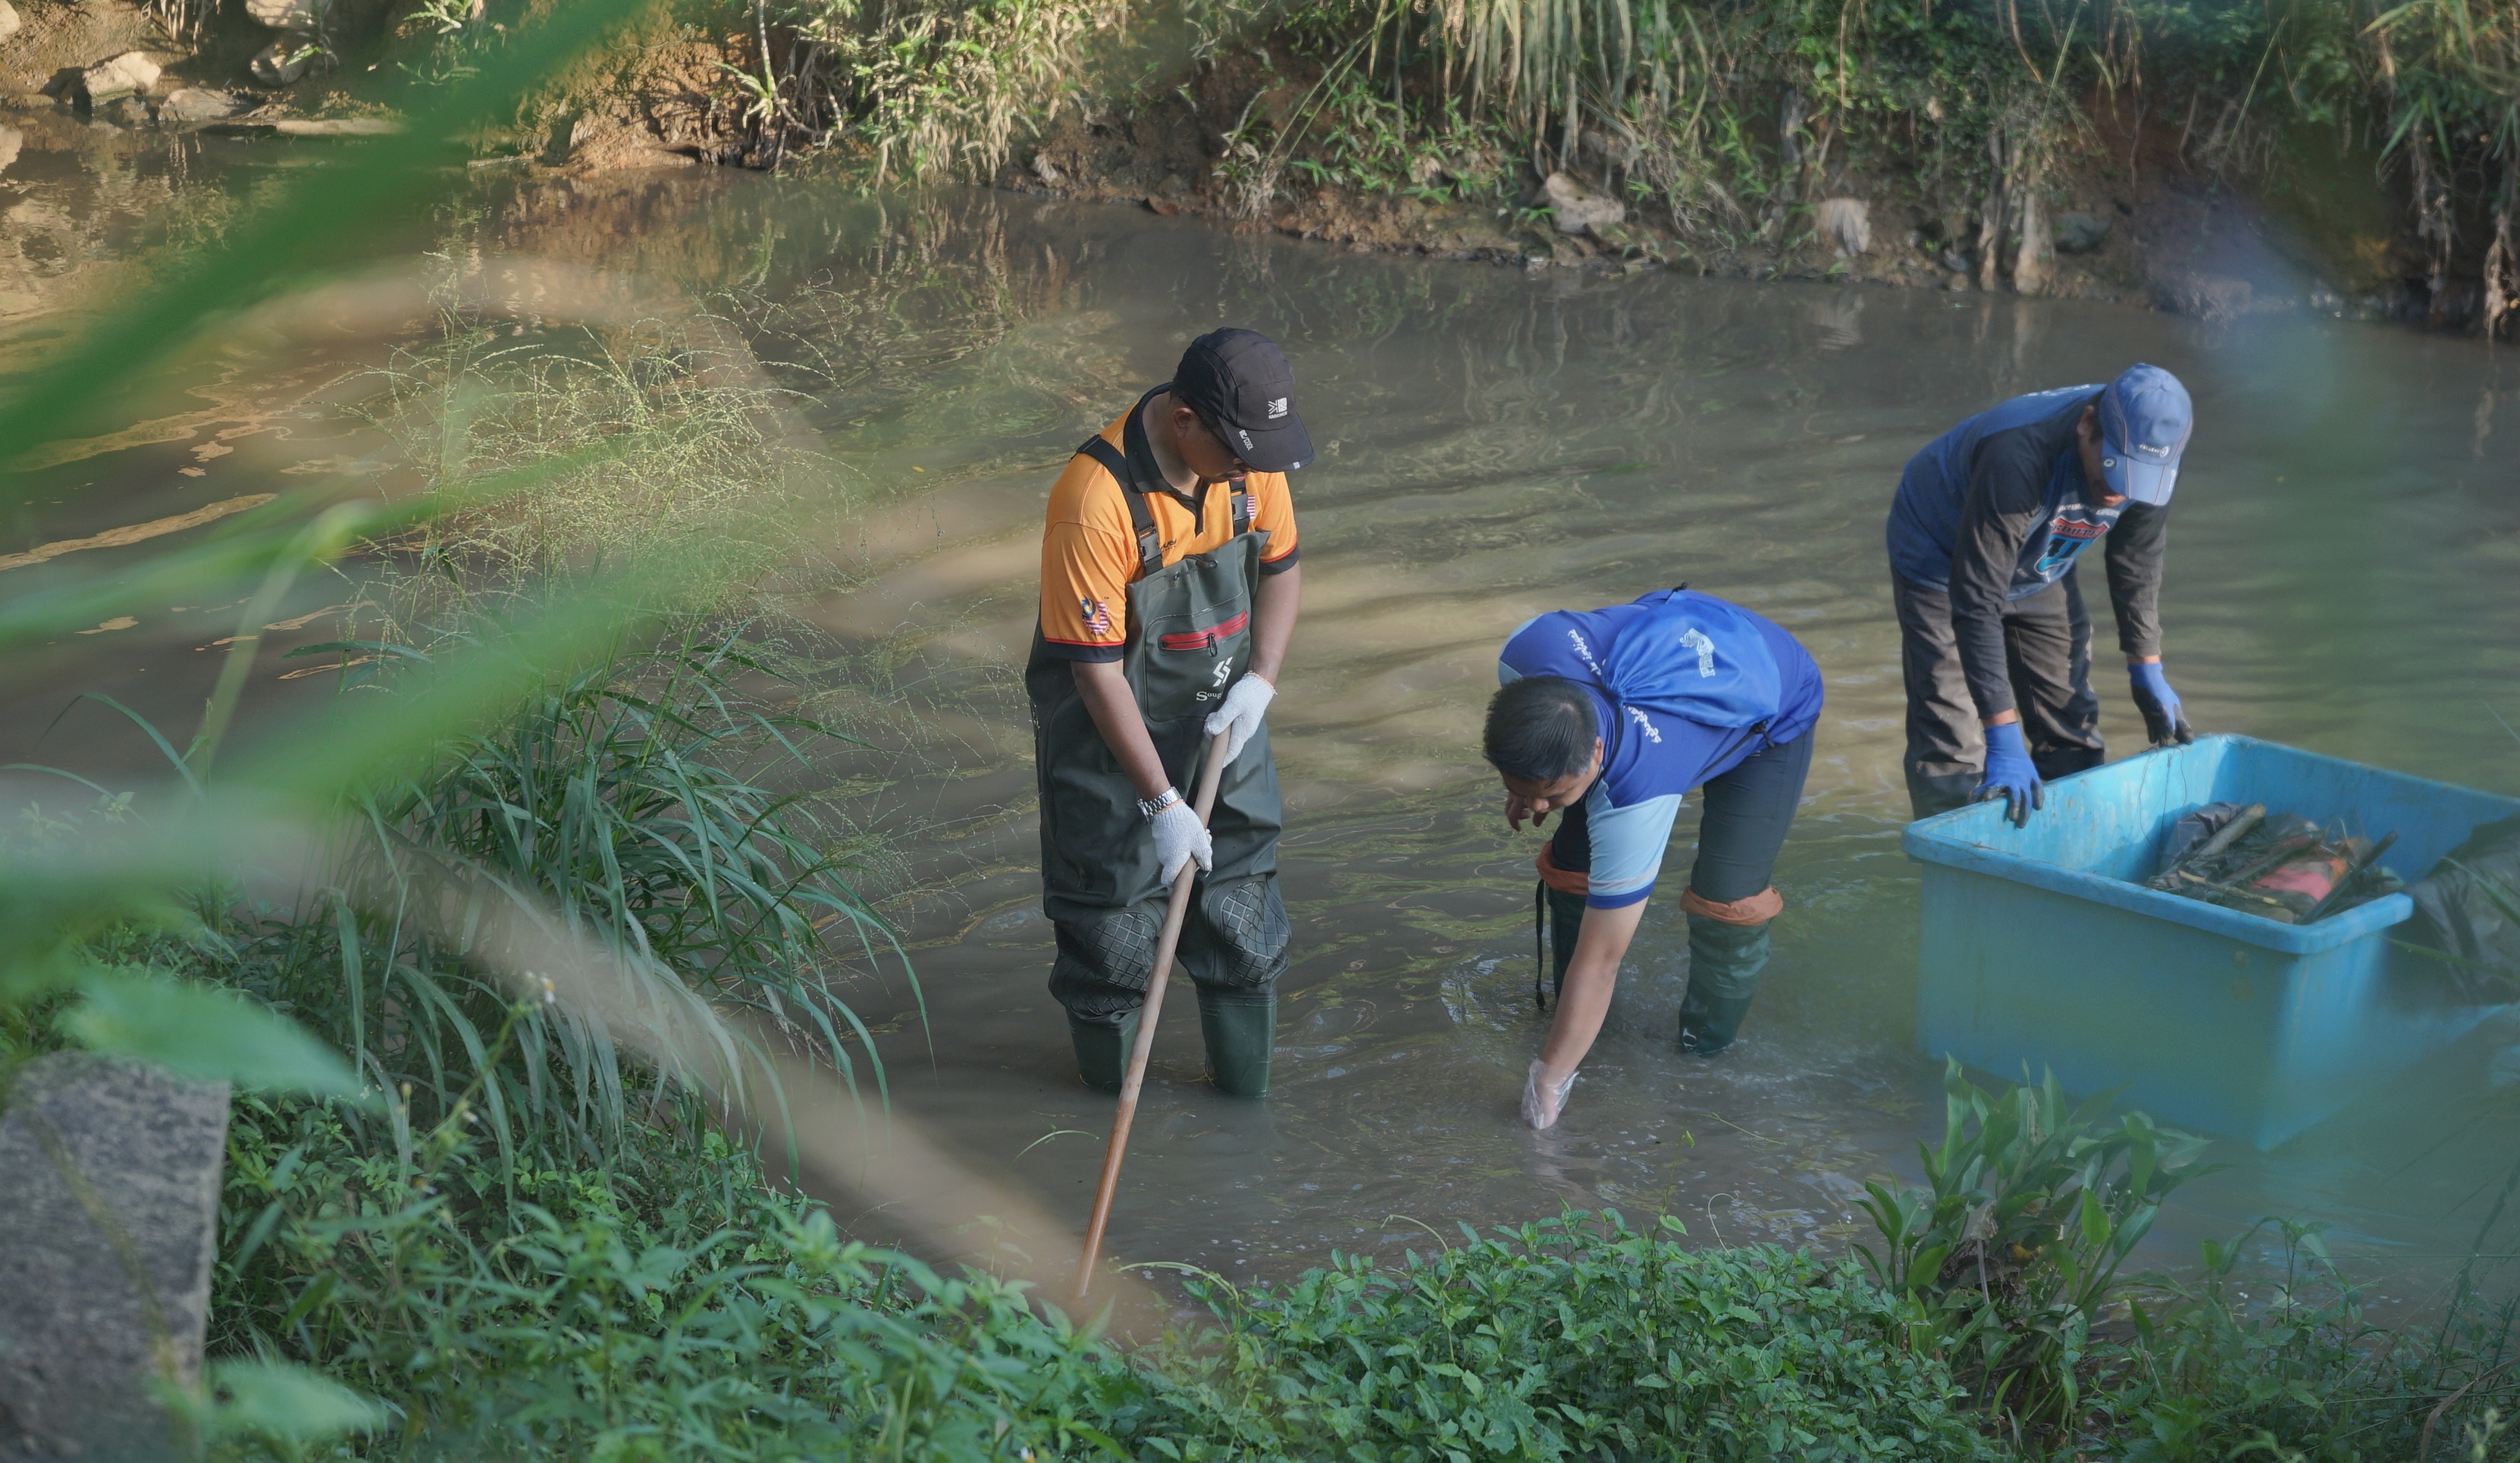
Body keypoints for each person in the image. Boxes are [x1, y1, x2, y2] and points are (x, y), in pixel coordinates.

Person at [1026, 328, 1307, 1098]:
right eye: (1239, 450)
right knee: (1112, 943)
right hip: (1109, 746)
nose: (1255, 468)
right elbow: (1095, 674)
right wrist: (1160, 801)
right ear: (1185, 419)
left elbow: (1281, 569)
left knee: (1243, 927)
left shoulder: (1252, 469)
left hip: (1225, 723)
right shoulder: (1094, 502)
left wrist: (1262, 682)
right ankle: (1103, 1106)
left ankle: (1241, 1105)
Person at [1483, 587, 1826, 1130]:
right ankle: (1596, 1038)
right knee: (1574, 871)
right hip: (1679, 664)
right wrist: (1532, 786)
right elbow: (1536, 750)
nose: (1539, 808)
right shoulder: (1527, 651)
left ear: (1595, 754)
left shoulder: (1637, 791)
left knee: (1726, 900)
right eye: (1525, 791)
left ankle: (1705, 1053)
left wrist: (1548, 1081)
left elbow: (1602, 962)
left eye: (1555, 795)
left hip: (1769, 699)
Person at [1885, 364, 2198, 826]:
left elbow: (2136, 559)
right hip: (1942, 554)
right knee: (1953, 735)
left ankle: (2065, 848)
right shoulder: (2017, 453)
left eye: (2135, 480)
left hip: (2042, 562)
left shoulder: (2154, 458)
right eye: (2114, 469)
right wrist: (2002, 733)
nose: (2118, 494)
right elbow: (1976, 601)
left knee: (2071, 717)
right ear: (2086, 424)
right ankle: (1953, 862)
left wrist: (2145, 662)